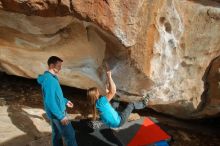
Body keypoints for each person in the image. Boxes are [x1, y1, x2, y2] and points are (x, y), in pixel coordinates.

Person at [37, 56, 77, 146]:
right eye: (59, 66)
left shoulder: (51, 78)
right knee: (70, 136)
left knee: (57, 135)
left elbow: (56, 96)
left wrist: (65, 101)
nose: (60, 68)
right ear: (51, 65)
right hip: (58, 114)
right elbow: (50, 101)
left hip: (54, 114)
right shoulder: (50, 80)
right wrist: (61, 116)